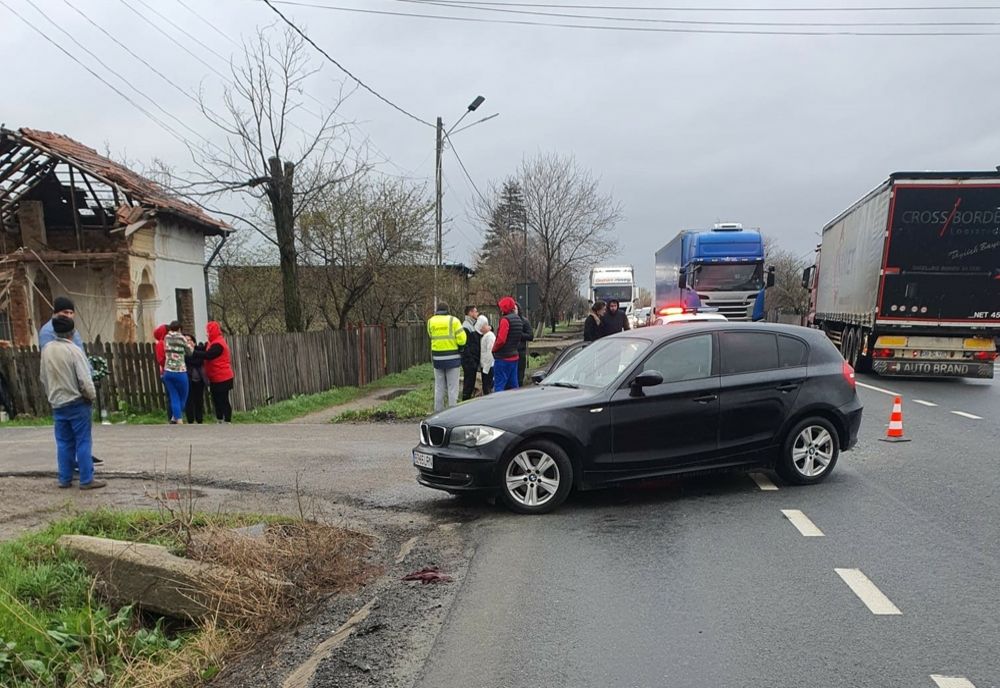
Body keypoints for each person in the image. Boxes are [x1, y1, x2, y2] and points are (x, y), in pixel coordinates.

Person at [39, 316, 105, 490]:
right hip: (77, 402)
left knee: (63, 442)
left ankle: (64, 478)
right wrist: (90, 396)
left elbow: (43, 377)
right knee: (83, 441)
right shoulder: (74, 350)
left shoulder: (47, 350)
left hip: (57, 402)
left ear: (54, 332)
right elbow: (84, 379)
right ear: (72, 332)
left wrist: (51, 396)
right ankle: (86, 479)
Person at [427, 302, 467, 412]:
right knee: (452, 388)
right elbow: (462, 339)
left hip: (437, 359)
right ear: (447, 310)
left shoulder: (430, 321)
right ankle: (452, 412)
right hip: (453, 358)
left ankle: (438, 412)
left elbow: (431, 336)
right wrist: (461, 347)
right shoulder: (454, 321)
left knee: (439, 387)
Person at [192, 321, 235, 423]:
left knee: (223, 399)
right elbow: (204, 349)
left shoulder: (218, 344)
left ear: (213, 331)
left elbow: (208, 355)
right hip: (215, 376)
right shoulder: (213, 342)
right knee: (215, 399)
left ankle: (227, 419)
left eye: (208, 331)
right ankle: (219, 418)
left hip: (223, 377)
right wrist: (193, 347)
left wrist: (193, 352)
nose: (206, 333)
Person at [162, 321, 193, 424]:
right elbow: (190, 352)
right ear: (179, 329)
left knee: (173, 395)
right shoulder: (182, 338)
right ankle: (179, 419)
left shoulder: (166, 337)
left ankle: (174, 418)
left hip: (168, 371)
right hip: (180, 371)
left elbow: (165, 349)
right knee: (183, 396)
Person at [491, 296, 523, 392]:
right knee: (514, 385)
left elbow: (501, 339)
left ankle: (499, 405)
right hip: (514, 356)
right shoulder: (518, 320)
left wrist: (494, 349)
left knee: (500, 385)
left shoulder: (505, 320)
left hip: (503, 358)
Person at [459, 305, 481, 401]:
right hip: (469, 361)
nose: (477, 314)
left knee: (471, 383)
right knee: (468, 383)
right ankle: (465, 401)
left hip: (472, 360)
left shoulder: (472, 325)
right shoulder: (466, 327)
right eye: (475, 312)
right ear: (470, 313)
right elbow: (466, 345)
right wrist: (471, 361)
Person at [185, 341, 207, 424]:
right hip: (188, 378)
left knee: (199, 400)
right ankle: (190, 419)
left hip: (199, 379)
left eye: (190, 340)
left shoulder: (199, 351)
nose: (189, 342)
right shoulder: (184, 353)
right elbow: (187, 359)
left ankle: (199, 418)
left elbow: (199, 361)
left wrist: (193, 357)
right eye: (187, 340)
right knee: (189, 399)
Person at [515, 304, 534, 387]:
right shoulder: (506, 320)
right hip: (509, 353)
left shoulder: (524, 321)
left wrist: (519, 334)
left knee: (519, 376)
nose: (513, 311)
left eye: (515, 309)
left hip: (520, 352)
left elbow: (530, 336)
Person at [477, 315, 495, 395]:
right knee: (486, 387)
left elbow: (490, 353)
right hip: (486, 366)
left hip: (488, 367)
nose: (480, 330)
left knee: (487, 387)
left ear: (484, 326)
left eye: (481, 327)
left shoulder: (489, 336)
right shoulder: (486, 336)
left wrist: (486, 369)